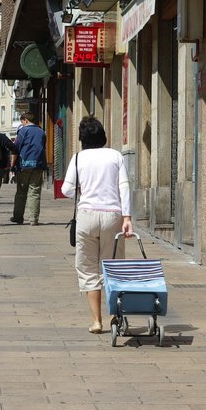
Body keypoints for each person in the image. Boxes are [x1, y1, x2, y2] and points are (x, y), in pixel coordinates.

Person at [61, 116, 133, 334]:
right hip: (113, 215)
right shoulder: (115, 156)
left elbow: (66, 189)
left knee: (88, 268)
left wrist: (82, 194)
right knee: (112, 266)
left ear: (82, 138)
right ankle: (114, 315)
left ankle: (96, 321)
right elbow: (124, 186)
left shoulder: (77, 158)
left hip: (87, 216)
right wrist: (127, 217)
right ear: (103, 136)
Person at [11, 111, 47, 225]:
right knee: (35, 192)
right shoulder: (42, 132)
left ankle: (18, 217)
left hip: (24, 164)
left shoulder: (23, 131)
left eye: (22, 122)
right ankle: (33, 219)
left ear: (25, 120)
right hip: (38, 164)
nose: (22, 124)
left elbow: (15, 149)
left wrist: (12, 164)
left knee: (21, 192)